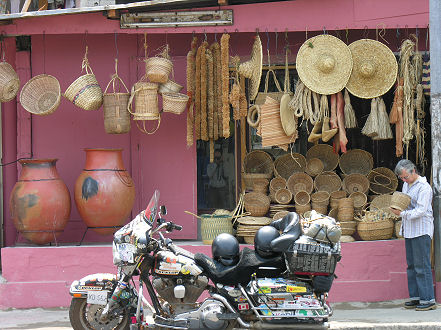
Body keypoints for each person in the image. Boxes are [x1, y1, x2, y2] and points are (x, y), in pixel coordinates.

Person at [391, 159, 436, 311]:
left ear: (413, 171)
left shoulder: (424, 187)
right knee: (411, 265)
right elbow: (406, 203)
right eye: (401, 178)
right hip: (410, 229)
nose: (404, 180)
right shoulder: (406, 185)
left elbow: (421, 211)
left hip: (421, 229)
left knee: (422, 265)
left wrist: (402, 213)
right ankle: (416, 297)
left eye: (405, 177)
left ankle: (428, 299)